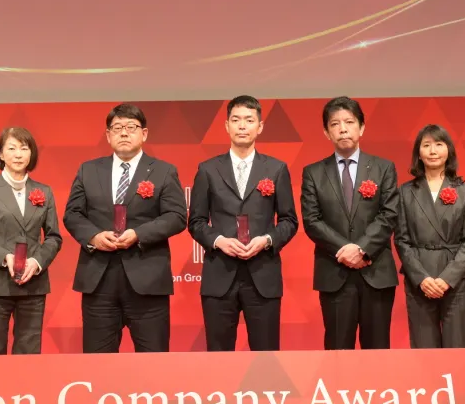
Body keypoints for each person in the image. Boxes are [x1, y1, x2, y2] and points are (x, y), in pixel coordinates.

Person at [63, 103, 187, 353]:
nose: (124, 133)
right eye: (117, 127)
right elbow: (72, 214)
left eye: (131, 127)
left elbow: (176, 216)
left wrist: (139, 234)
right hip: (99, 280)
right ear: (108, 135)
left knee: (153, 360)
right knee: (98, 361)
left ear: (144, 133)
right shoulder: (88, 170)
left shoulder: (163, 171)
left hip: (147, 279)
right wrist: (94, 237)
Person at [188, 95, 299, 351]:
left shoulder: (276, 169)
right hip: (220, 274)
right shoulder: (208, 169)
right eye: (236, 120)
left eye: (249, 120)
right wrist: (218, 241)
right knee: (219, 354)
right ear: (226, 126)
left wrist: (267, 240)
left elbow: (289, 220)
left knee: (266, 354)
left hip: (263, 275)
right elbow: (196, 221)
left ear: (259, 127)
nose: (242, 126)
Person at [300, 96, 401, 349]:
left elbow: (389, 214)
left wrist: (362, 249)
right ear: (326, 132)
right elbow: (312, 220)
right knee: (337, 350)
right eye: (335, 124)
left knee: (377, 350)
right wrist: (345, 250)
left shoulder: (383, 168)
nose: (343, 129)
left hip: (375, 272)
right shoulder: (313, 172)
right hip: (334, 272)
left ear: (362, 127)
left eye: (349, 122)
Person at [0, 127, 62, 354]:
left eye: (24, 148)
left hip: (33, 284)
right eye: (11, 148)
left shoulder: (44, 192)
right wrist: (5, 257)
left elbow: (53, 237)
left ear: (31, 153)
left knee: (29, 355)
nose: (18, 154)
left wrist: (37, 262)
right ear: (1, 154)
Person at [395, 124, 465, 348]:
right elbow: (401, 240)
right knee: (424, 349)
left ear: (448, 150)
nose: (433, 151)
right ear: (418, 153)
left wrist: (447, 279)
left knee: (459, 347)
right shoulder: (405, 192)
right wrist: (422, 279)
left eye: (439, 144)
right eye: (427, 145)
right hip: (420, 279)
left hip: (455, 279)